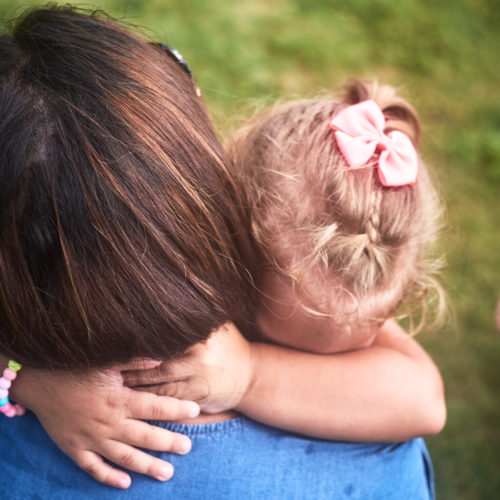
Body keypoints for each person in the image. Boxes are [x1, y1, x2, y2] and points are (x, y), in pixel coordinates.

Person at [0, 6, 441, 499]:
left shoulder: (339, 279)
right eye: (275, 335)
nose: (336, 360)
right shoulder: (140, 271)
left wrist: (250, 373)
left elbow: (425, 401)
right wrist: (29, 380)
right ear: (224, 221)